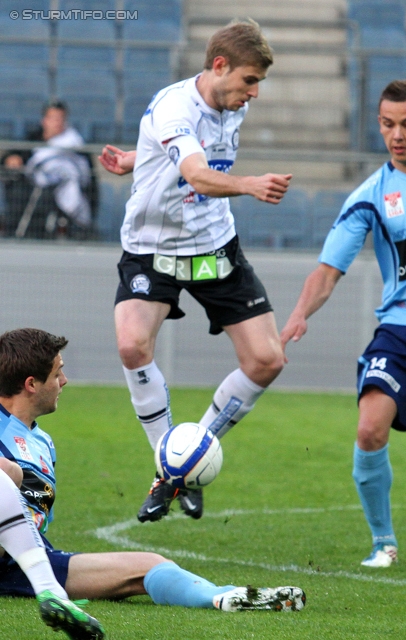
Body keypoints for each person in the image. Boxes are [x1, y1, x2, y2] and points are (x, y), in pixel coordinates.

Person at [98, 20, 292, 523]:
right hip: (152, 247)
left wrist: (135, 160)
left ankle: (186, 458)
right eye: (249, 81)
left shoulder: (231, 104)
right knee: (131, 345)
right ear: (219, 66)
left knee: (267, 360)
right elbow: (195, 172)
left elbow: (180, 154)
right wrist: (251, 185)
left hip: (211, 247)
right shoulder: (175, 104)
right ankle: (170, 465)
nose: (253, 94)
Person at [0, 327, 306, 619]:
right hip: (11, 560)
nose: (64, 380)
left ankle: (227, 597)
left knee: (147, 566)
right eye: (57, 373)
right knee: (8, 475)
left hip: (27, 562)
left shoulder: (42, 442)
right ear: (30, 384)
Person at [281, 79, 406, 568]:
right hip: (402, 330)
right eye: (386, 125)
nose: (396, 134)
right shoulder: (371, 195)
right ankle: (384, 543)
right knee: (368, 430)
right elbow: (328, 270)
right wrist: (298, 315)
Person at [0, 467, 104, 639]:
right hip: (20, 566)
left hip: (23, 563)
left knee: (148, 566)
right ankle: (48, 587)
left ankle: (48, 587)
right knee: (9, 471)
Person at [2, 101, 95, 238]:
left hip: (55, 200)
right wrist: (11, 158)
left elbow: (85, 173)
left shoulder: (75, 144)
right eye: (53, 118)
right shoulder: (32, 139)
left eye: (60, 118)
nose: (57, 122)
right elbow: (12, 156)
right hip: (27, 197)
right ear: (44, 120)